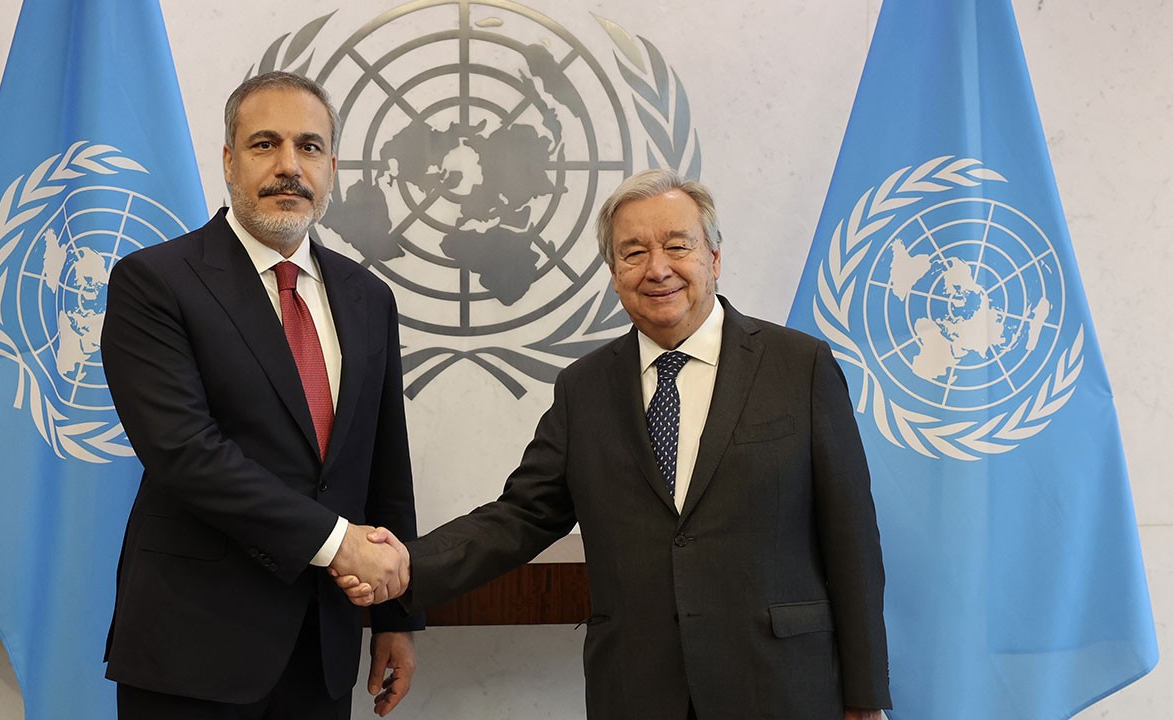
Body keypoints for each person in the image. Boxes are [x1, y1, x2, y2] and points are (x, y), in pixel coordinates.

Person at [339, 169, 891, 719]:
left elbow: (851, 539)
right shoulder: (584, 389)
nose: (657, 268)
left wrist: (865, 697)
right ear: (613, 273)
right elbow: (520, 517)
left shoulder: (799, 366)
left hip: (780, 685)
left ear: (714, 258)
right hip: (637, 689)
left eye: (677, 246)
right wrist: (408, 563)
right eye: (633, 253)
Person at [101, 71, 421, 719]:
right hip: (193, 647)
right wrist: (338, 542)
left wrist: (396, 616)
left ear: (331, 169)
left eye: (309, 147)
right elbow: (185, 453)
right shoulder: (154, 282)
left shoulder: (368, 298)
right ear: (229, 161)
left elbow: (384, 464)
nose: (288, 167)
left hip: (324, 647)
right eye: (265, 144)